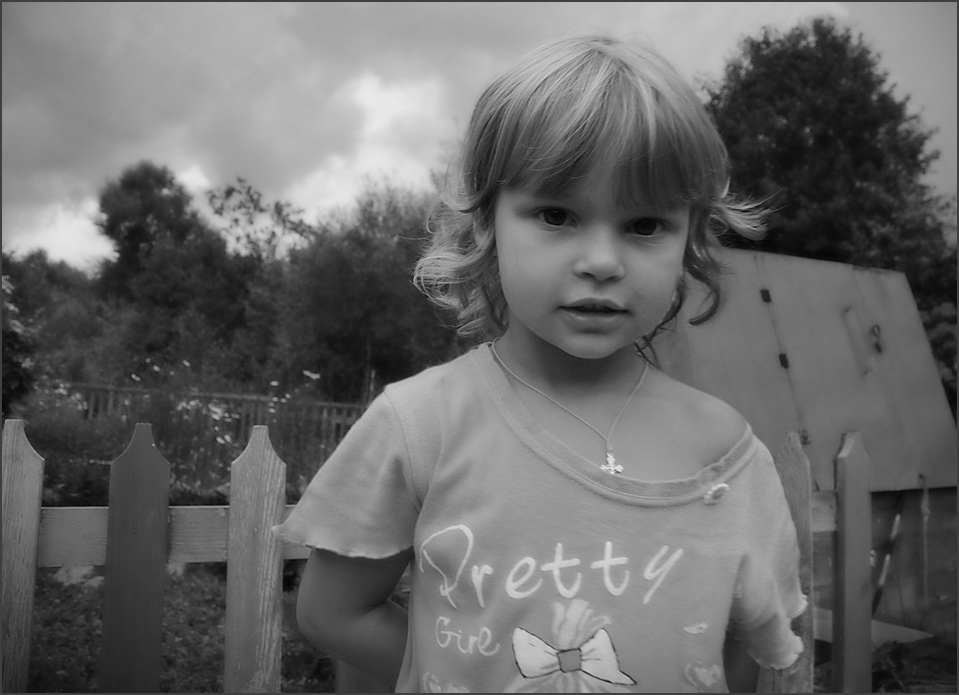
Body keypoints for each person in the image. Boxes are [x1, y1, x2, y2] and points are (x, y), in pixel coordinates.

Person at [274, 34, 806, 693]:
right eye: (556, 214)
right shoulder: (419, 425)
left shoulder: (724, 450)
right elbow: (333, 612)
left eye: (644, 225)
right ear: (486, 222)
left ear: (689, 237)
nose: (602, 260)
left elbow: (747, 647)